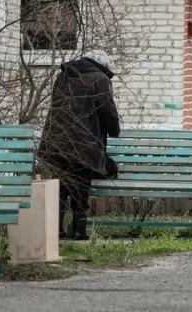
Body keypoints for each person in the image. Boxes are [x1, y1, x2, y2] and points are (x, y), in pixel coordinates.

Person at [38, 50, 121, 241]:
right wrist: (114, 130)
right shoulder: (99, 79)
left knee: (61, 186)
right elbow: (107, 109)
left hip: (56, 140)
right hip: (83, 142)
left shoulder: (65, 75)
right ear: (104, 65)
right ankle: (79, 230)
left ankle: (55, 230)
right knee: (80, 186)